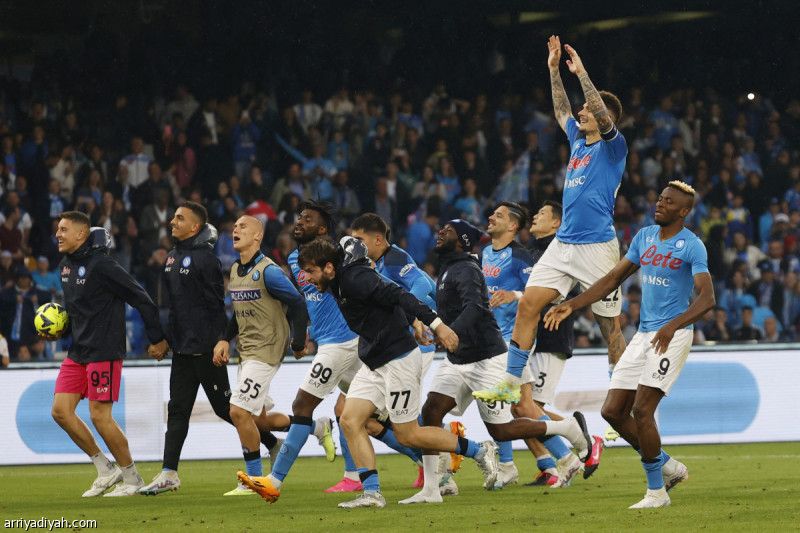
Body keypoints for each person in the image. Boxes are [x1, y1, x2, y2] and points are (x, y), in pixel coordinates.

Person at [270, 236, 496, 509]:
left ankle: (480, 451)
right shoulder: (340, 280)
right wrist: (411, 322)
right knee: (350, 420)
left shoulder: (355, 278)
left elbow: (399, 294)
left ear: (329, 267)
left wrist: (437, 325)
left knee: (408, 434)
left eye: (310, 271)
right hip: (374, 361)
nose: (306, 278)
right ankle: (372, 493)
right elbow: (385, 300)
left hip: (398, 359)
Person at [475, 35, 628, 403]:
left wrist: (583, 73)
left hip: (598, 247)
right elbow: (562, 110)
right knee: (528, 303)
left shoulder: (614, 147)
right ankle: (511, 384)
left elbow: (600, 113)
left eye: (588, 110)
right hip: (564, 245)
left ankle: (621, 399)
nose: (581, 112)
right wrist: (553, 71)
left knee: (610, 327)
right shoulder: (577, 140)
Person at [544, 181, 715, 508]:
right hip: (643, 335)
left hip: (672, 336)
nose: (660, 204)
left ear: (683, 211)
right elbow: (612, 279)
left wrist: (673, 325)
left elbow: (707, 299)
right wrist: (574, 303)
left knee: (642, 409)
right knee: (612, 411)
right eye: (660, 199)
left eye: (668, 202)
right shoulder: (645, 237)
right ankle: (667, 465)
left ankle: (656, 492)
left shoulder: (692, 246)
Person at [404, 220, 594, 505]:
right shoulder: (449, 268)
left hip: (487, 359)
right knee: (431, 413)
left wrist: (450, 330)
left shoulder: (467, 269)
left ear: (463, 242)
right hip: (457, 360)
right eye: (442, 228)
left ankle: (566, 428)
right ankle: (433, 489)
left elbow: (475, 308)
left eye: (449, 230)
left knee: (502, 429)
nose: (441, 232)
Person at [138, 202, 283, 497]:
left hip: (206, 349)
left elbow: (218, 306)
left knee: (225, 409)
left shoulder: (206, 260)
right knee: (177, 410)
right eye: (174, 216)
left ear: (195, 227)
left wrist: (221, 340)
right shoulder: (170, 259)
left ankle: (270, 444)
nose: (172, 221)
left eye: (180, 218)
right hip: (181, 350)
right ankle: (169, 473)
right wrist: (166, 339)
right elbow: (174, 309)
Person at [48, 211, 169, 497]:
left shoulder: (103, 265)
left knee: (100, 416)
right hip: (78, 351)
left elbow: (142, 298)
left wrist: (157, 339)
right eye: (57, 229)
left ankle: (132, 478)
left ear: (81, 234)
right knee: (60, 412)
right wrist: (60, 329)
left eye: (64, 229)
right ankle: (105, 469)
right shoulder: (65, 266)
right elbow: (80, 312)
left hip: (104, 350)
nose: (58, 234)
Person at [211, 216, 330, 494]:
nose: (236, 230)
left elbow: (298, 303)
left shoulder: (269, 272)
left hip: (266, 351)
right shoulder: (237, 270)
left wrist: (298, 341)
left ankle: (252, 480)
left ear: (258, 237)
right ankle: (316, 427)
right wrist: (224, 339)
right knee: (257, 419)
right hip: (247, 352)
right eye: (235, 226)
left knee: (238, 412)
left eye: (243, 227)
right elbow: (238, 311)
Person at [482, 201, 590, 488]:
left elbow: (567, 290)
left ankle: (571, 446)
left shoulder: (555, 249)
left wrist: (516, 296)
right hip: (518, 338)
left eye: (542, 214)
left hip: (543, 337)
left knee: (527, 406)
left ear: (557, 223)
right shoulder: (530, 251)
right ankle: (547, 463)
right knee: (518, 406)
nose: (536, 217)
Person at [350, 212, 438, 488]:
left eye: (359, 240)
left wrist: (413, 320)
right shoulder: (371, 264)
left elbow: (424, 285)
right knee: (373, 419)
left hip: (413, 345)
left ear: (378, 239)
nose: (355, 246)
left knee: (397, 419)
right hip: (391, 346)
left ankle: (440, 463)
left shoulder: (395, 259)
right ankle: (432, 461)